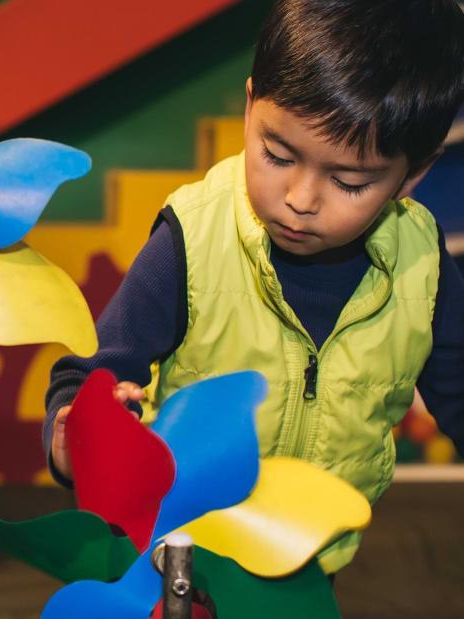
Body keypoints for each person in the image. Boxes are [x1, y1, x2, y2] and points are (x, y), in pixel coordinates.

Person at [45, 0, 464, 573]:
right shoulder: (192, 239)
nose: (300, 199)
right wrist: (76, 441)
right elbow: (89, 373)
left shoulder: (422, 266)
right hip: (180, 553)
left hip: (310, 562)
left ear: (412, 174)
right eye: (276, 154)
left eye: (347, 181)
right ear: (249, 106)